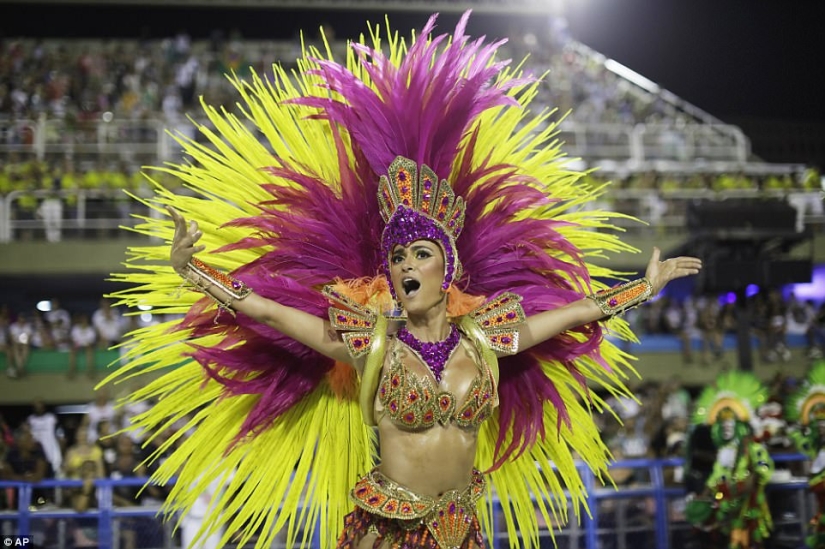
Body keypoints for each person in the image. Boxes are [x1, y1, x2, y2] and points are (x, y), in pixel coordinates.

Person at [106, 12, 701, 549]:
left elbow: (577, 312)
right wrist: (194, 271)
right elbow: (266, 311)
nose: (405, 266)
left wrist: (642, 289)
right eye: (397, 259)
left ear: (451, 270)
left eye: (420, 254)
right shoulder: (370, 344)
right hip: (387, 529)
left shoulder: (487, 336)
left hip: (463, 526)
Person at [687, 371, 774, 549]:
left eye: (731, 423)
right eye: (722, 423)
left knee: (750, 541)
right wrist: (705, 495)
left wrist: (754, 478)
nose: (727, 427)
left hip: (749, 509)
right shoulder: (724, 453)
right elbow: (717, 477)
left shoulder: (753, 448)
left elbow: (764, 469)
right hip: (728, 510)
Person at [786, 360, 825, 548]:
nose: (821, 426)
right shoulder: (815, 446)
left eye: (824, 422)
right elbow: (802, 444)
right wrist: (796, 431)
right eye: (818, 423)